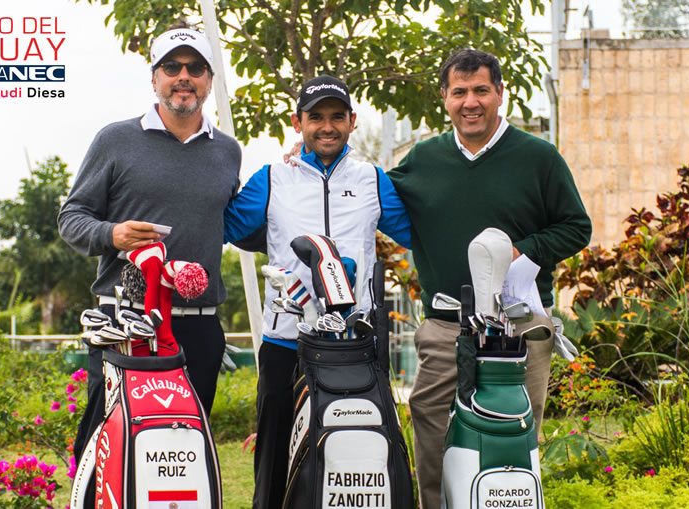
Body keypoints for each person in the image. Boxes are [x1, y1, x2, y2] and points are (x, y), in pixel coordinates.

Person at [386, 48, 592, 508]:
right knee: (431, 423)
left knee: (513, 436)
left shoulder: (538, 158)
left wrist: (523, 250)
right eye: (459, 92)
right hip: (447, 326)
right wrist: (305, 160)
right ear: (445, 98)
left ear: (500, 93)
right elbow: (371, 195)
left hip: (519, 324)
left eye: (481, 90)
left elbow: (577, 227)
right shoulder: (423, 159)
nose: (470, 102)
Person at [57, 24, 241, 507]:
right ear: (155, 77)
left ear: (209, 79)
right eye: (172, 67)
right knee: (105, 444)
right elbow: (72, 218)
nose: (184, 77)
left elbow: (238, 221)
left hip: (199, 326)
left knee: (182, 454)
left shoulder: (228, 151)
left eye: (195, 68)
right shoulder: (116, 140)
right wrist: (112, 234)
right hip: (125, 322)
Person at [224, 75, 412, 509]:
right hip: (284, 342)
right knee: (274, 458)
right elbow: (227, 226)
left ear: (352, 121)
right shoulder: (273, 178)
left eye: (336, 117)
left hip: (355, 344)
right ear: (298, 123)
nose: (327, 126)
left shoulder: (372, 179)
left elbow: (415, 232)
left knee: (358, 453)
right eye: (316, 117)